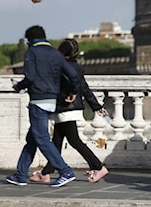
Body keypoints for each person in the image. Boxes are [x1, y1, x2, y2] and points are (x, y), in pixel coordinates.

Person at [6, 25, 80, 187]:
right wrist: (73, 91)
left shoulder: (32, 52)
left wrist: (19, 86)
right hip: (51, 101)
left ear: (30, 40)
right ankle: (20, 175)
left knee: (42, 138)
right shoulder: (55, 53)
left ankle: (65, 171)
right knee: (32, 138)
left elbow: (30, 77)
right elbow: (73, 75)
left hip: (38, 100)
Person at [29, 38, 109, 184]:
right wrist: (96, 106)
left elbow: (61, 88)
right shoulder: (76, 67)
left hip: (65, 108)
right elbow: (84, 88)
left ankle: (98, 167)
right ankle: (47, 172)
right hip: (71, 108)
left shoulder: (60, 67)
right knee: (57, 142)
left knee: (74, 141)